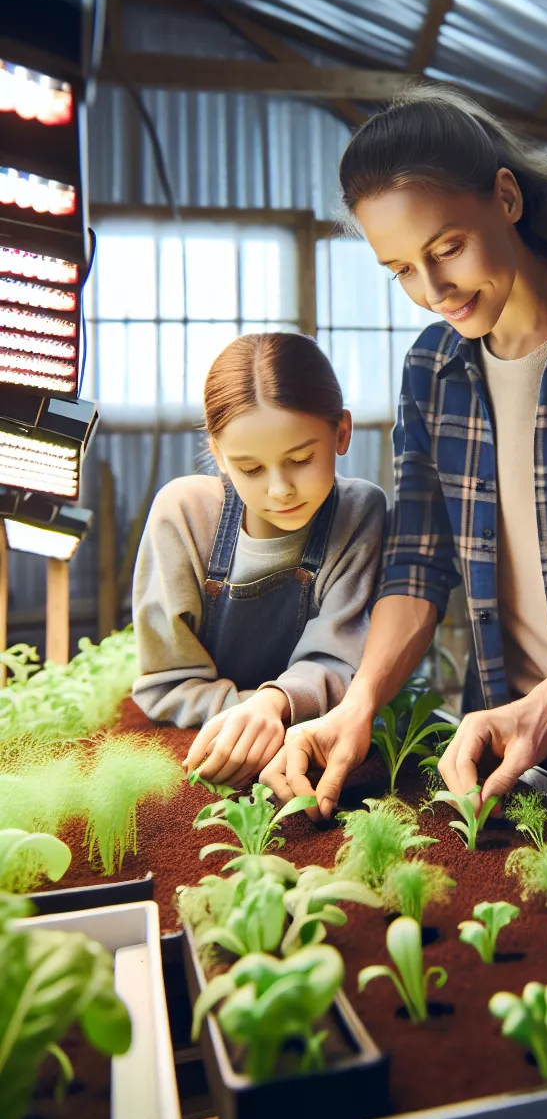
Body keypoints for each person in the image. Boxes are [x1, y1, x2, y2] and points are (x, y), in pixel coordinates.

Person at [260, 86, 547, 815]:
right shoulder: (430, 371)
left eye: (447, 249)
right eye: (402, 269)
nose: (433, 288)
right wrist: (359, 704)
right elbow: (417, 567)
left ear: (505, 198)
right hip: (496, 747)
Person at [131, 331, 386, 786]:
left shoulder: (359, 512)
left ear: (342, 432)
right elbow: (167, 683)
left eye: (301, 458)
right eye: (250, 468)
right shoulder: (184, 515)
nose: (279, 489)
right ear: (218, 455)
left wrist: (275, 707)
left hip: (319, 740)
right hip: (202, 747)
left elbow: (341, 659)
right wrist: (253, 720)